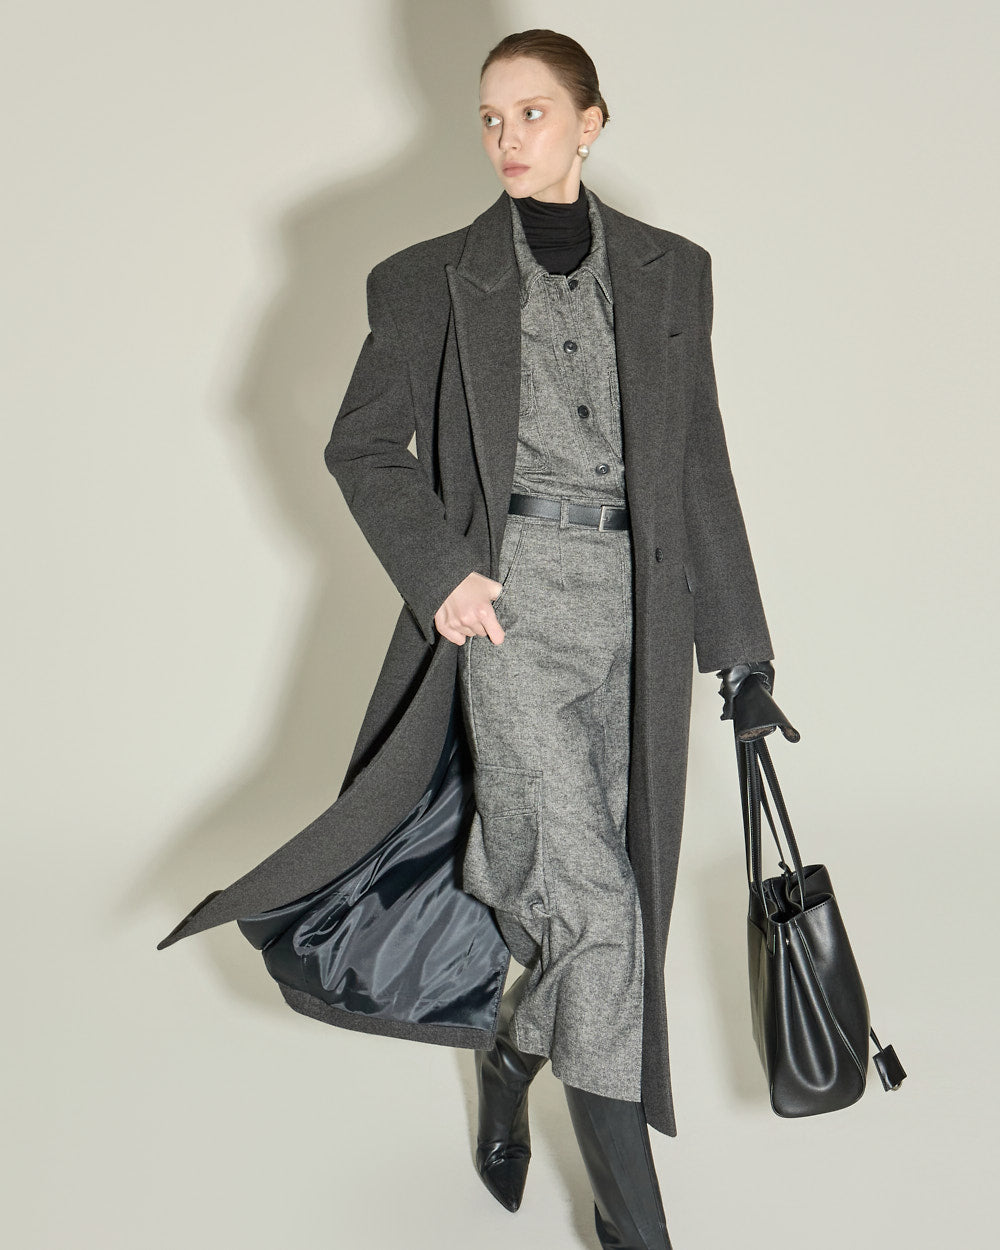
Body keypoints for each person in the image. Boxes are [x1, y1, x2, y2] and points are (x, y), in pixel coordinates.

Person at [431, 30, 782, 1250]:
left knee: (613, 895)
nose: (506, 137)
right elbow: (358, 446)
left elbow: (697, 462)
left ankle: (512, 1047)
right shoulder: (431, 278)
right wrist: (439, 571)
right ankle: (637, 1231)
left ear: (590, 123)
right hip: (514, 611)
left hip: (641, 614)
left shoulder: (672, 273)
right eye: (490, 118)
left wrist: (742, 653)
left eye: (531, 113)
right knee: (600, 914)